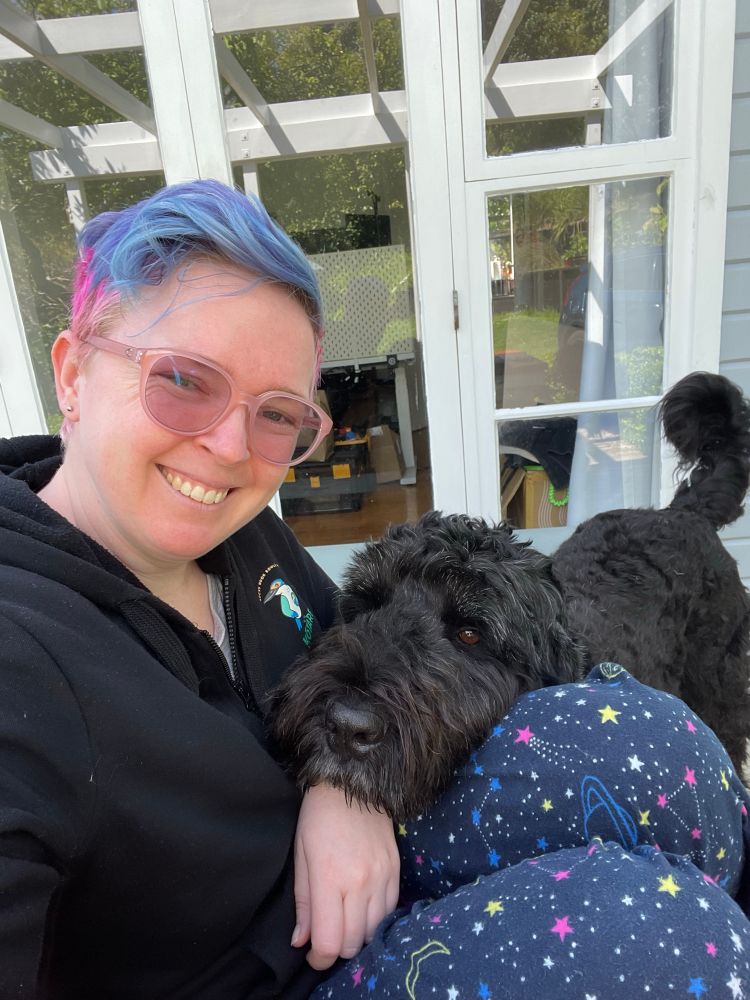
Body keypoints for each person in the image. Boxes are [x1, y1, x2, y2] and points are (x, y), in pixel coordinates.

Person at [0, 179, 399, 999]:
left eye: (277, 414)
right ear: (73, 375)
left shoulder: (242, 535)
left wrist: (342, 781)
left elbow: (358, 649)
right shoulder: (19, 661)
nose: (228, 447)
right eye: (184, 380)